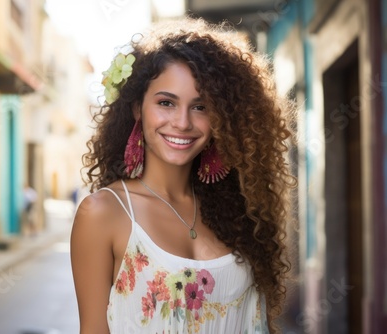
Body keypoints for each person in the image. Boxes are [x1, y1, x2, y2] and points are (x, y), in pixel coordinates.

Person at [71, 17, 296, 334]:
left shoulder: (242, 208)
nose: (182, 122)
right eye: (166, 103)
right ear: (138, 108)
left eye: (201, 107)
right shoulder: (103, 214)